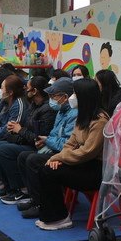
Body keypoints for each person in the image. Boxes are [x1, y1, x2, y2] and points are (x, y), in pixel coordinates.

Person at [30, 78, 109, 231]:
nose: (72, 97)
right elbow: (71, 143)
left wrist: (58, 158)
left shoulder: (100, 120)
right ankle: (53, 215)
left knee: (48, 171)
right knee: (46, 168)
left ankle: (59, 218)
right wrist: (60, 159)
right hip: (82, 164)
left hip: (95, 170)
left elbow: (87, 152)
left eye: (75, 94)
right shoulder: (83, 116)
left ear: (85, 96)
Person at [16, 77, 78, 218]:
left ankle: (42, 204)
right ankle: (35, 198)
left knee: (33, 160)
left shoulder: (74, 114)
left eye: (54, 96)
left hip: (65, 154)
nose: (51, 99)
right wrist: (45, 141)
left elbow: (67, 143)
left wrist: (48, 141)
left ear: (65, 97)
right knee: (23, 156)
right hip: (55, 149)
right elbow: (54, 134)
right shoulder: (61, 111)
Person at [0, 76, 56, 204]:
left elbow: (39, 138)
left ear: (35, 91)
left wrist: (19, 130)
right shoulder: (33, 105)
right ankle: (9, 186)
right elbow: (24, 129)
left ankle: (20, 189)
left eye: (27, 88)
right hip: (26, 140)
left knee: (3, 150)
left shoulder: (47, 109)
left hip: (38, 146)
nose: (25, 90)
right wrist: (15, 131)